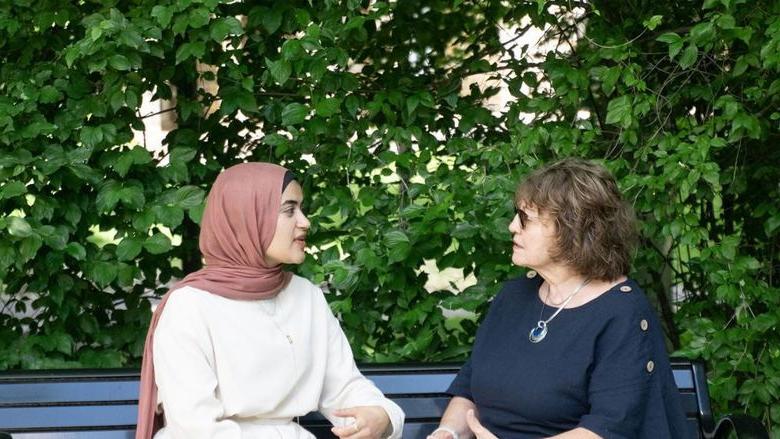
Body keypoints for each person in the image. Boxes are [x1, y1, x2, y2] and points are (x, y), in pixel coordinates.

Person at [135, 162, 404, 439]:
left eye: (301, 208)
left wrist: (380, 415)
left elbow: (343, 386)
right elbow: (196, 428)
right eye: (289, 210)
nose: (305, 221)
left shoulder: (305, 296)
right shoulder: (189, 307)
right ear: (248, 217)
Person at [428, 158, 688, 439]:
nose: (512, 226)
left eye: (526, 219)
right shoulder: (513, 297)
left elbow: (607, 429)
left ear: (572, 229)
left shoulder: (622, 313)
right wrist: (448, 432)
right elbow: (469, 389)